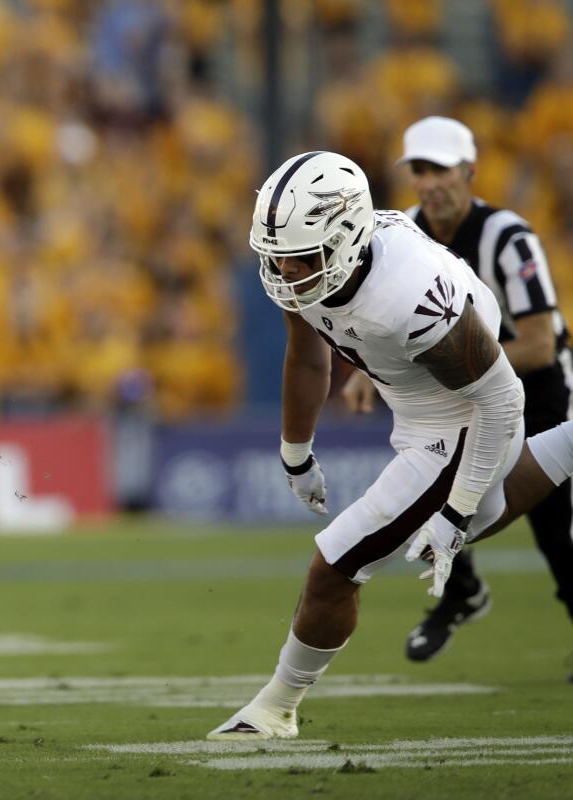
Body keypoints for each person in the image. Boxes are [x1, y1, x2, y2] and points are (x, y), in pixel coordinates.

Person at [208, 150, 573, 740]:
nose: (287, 273)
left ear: (347, 237)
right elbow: (306, 354)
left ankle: (274, 708)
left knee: (336, 565)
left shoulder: (408, 293)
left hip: (464, 416)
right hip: (420, 404)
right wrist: (295, 451)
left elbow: (501, 401)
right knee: (480, 516)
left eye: (301, 258)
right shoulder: (312, 264)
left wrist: (453, 512)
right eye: (276, 257)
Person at [342, 116, 573, 669]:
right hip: (459, 392)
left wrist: (459, 362)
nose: (428, 182)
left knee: (553, 525)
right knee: (424, 488)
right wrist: (362, 371)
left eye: (440, 168)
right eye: (419, 170)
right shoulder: (403, 233)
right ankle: (459, 592)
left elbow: (540, 345)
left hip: (537, 392)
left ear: (469, 171)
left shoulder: (507, 236)